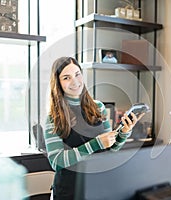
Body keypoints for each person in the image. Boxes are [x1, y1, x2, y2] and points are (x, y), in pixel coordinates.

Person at [44, 56, 144, 200]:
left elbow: (111, 148)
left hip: (98, 186)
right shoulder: (53, 117)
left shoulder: (98, 107)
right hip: (69, 192)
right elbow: (56, 161)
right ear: (58, 83)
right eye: (66, 78)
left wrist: (124, 132)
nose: (75, 81)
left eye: (77, 74)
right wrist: (95, 144)